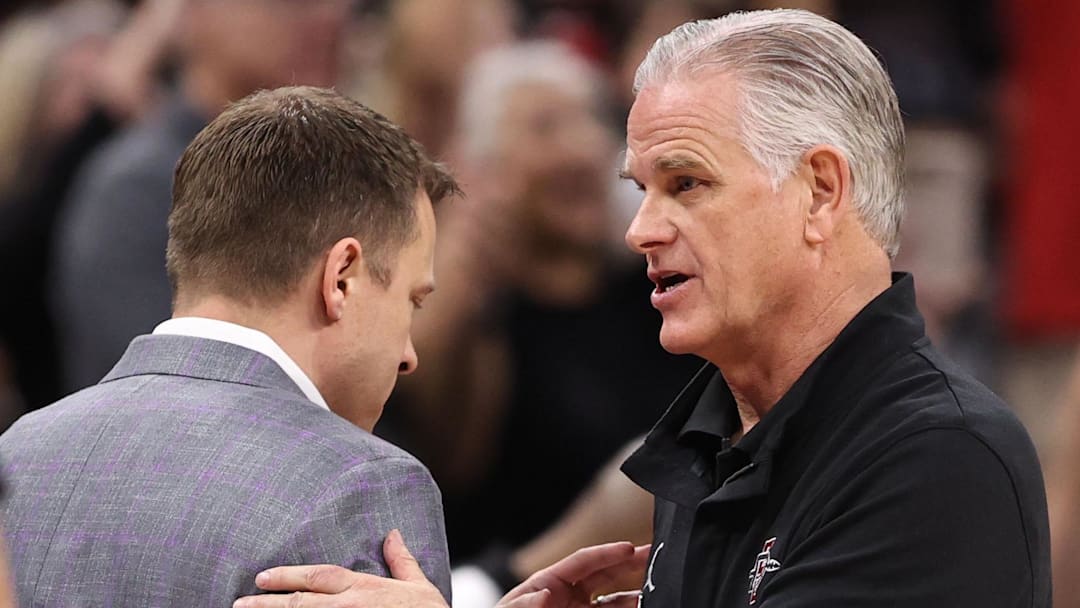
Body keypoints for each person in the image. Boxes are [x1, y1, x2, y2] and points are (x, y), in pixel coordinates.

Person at [236, 8, 1052, 608]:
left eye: (686, 184)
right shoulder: (710, 441)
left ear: (820, 193)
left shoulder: (941, 458)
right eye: (641, 189)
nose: (640, 231)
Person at [0, 86, 458, 605]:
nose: (409, 355)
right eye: (412, 301)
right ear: (342, 279)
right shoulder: (359, 486)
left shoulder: (17, 453)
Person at [52, 0, 356, 393]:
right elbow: (171, 396)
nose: (330, 17)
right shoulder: (139, 189)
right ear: (195, 13)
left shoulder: (341, 177)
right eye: (291, 4)